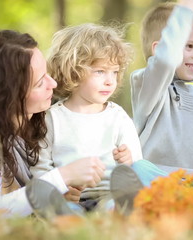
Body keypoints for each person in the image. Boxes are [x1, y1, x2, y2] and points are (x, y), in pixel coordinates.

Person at [0, 30, 105, 218]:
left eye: (47, 74)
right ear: (7, 98)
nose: (52, 83)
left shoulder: (49, 121)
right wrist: (62, 176)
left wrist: (61, 193)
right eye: (39, 83)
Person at [30, 23, 146, 210]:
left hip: (112, 195)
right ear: (74, 72)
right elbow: (40, 168)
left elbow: (138, 164)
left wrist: (128, 159)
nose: (110, 81)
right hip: (69, 197)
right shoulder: (52, 119)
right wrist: (60, 192)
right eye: (100, 71)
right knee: (65, 213)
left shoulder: (117, 117)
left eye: (114, 72)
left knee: (116, 208)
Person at [130, 0, 193, 180]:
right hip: (153, 179)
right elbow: (166, 61)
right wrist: (184, 13)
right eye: (189, 46)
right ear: (158, 50)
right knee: (133, 175)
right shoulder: (148, 85)